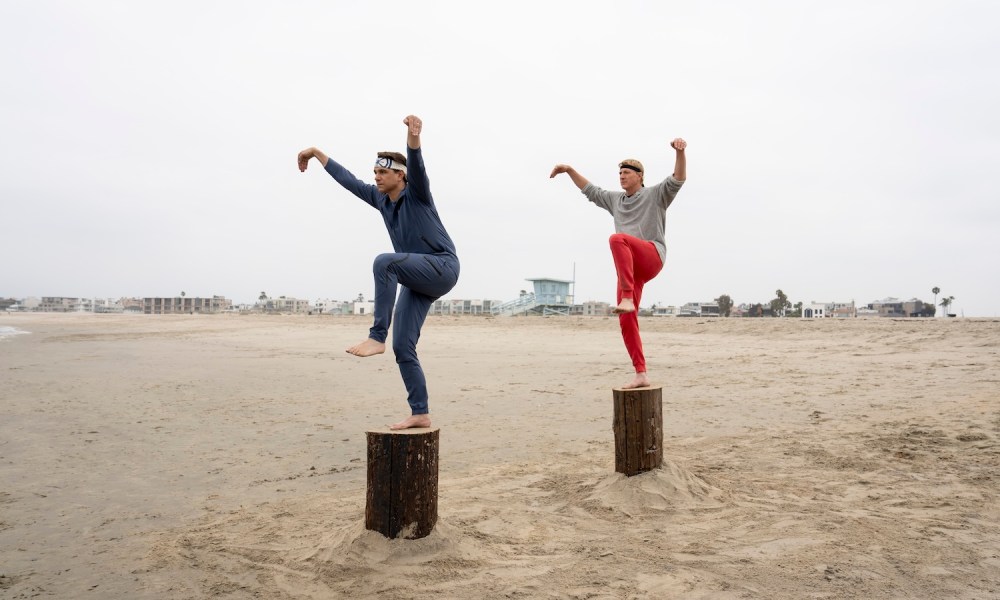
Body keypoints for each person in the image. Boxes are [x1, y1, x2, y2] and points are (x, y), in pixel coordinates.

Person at [297, 115, 460, 430]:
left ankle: (376, 336)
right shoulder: (380, 199)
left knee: (384, 261)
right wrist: (317, 154)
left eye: (382, 172)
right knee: (403, 346)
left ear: (400, 175)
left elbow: (417, 163)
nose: (376, 178)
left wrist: (413, 137)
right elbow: (348, 180)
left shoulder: (418, 194)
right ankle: (420, 411)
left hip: (442, 266)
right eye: (374, 172)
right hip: (418, 278)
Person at [549, 138, 687, 389]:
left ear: (640, 176)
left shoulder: (655, 194)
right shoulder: (616, 201)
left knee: (617, 239)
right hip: (630, 271)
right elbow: (591, 190)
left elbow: (678, 178)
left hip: (652, 255)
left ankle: (625, 298)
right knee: (626, 319)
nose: (621, 177)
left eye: (626, 173)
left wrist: (680, 152)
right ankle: (641, 373)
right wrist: (569, 171)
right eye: (619, 173)